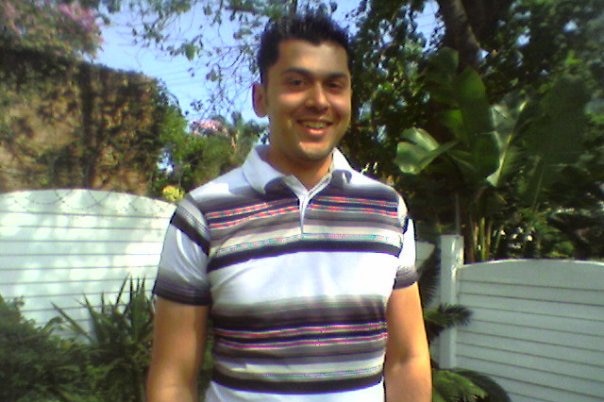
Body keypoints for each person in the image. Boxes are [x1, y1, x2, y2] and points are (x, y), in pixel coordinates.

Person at [147, 11, 431, 402]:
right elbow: (173, 378)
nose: (318, 101)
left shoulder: (387, 211)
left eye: (335, 85)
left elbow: (407, 359)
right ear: (260, 98)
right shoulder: (202, 215)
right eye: (296, 83)